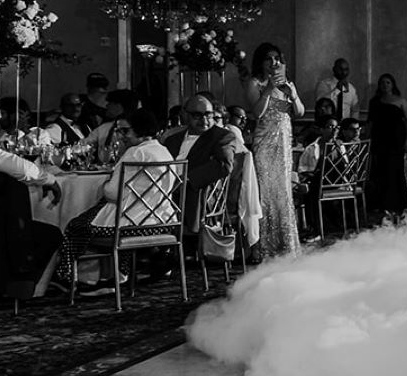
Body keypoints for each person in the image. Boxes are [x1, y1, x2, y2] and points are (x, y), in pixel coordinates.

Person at [60, 109, 179, 295]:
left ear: (140, 129)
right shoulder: (163, 150)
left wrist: (106, 184)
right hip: (162, 221)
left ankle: (73, 278)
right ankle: (117, 274)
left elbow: (113, 193)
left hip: (130, 224)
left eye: (125, 131)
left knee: (75, 226)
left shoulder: (134, 153)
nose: (121, 136)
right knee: (97, 216)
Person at [244, 43, 306, 260]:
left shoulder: (286, 83)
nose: (274, 62)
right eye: (268, 59)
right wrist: (268, 90)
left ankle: (285, 244)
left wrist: (294, 95)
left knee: (284, 192)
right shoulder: (255, 83)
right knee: (266, 192)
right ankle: (263, 246)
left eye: (276, 58)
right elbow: (256, 113)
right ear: (260, 62)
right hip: (264, 144)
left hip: (284, 142)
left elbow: (299, 112)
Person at [163, 94, 236, 238]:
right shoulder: (172, 139)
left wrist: (186, 180)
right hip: (166, 190)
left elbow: (223, 165)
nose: (204, 120)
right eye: (197, 116)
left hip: (196, 195)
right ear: (185, 115)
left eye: (208, 115)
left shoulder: (222, 136)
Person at [366, 73, 407, 214]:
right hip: (379, 140)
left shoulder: (401, 101)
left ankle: (397, 203)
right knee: (379, 172)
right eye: (382, 83)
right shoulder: (374, 102)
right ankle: (381, 203)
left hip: (396, 140)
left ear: (392, 85)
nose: (385, 85)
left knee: (395, 171)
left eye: (388, 82)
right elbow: (370, 122)